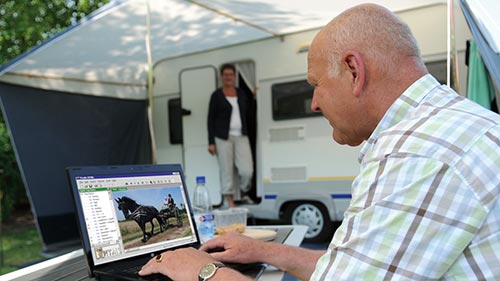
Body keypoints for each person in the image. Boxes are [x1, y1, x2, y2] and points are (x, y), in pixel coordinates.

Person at [139, 4, 500, 280]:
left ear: (354, 71)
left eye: (315, 84)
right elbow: (352, 267)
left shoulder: (418, 150)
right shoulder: (450, 124)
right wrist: (264, 252)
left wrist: (201, 270)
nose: (313, 103)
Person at [207, 63, 254, 208]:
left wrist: (255, 96)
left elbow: (249, 111)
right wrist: (211, 142)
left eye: (231, 75)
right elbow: (210, 119)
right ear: (222, 77)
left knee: (247, 170)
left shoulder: (241, 93)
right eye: (225, 75)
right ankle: (230, 201)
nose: (228, 77)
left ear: (234, 77)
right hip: (222, 137)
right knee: (226, 170)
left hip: (241, 135)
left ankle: (244, 191)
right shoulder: (216, 95)